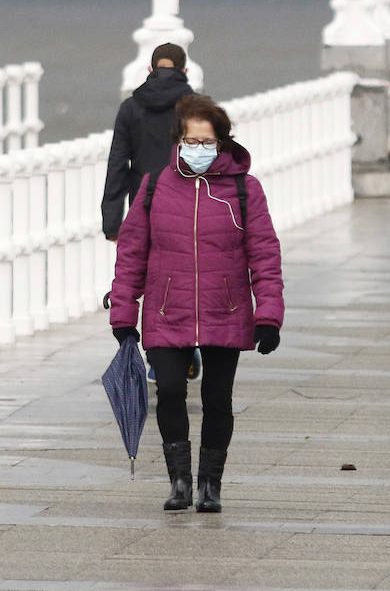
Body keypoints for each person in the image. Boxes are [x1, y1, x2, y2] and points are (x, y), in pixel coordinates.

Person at [108, 94, 285, 513]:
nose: (198, 149)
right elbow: (132, 253)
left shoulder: (245, 190)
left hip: (226, 310)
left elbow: (264, 254)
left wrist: (269, 316)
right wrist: (123, 313)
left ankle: (210, 485)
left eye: (207, 142)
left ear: (222, 143)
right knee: (169, 391)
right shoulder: (154, 187)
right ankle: (180, 481)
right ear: (178, 140)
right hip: (168, 310)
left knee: (217, 399)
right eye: (191, 140)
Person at [102, 43, 195, 241]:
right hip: (188, 203)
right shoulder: (197, 107)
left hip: (143, 203)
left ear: (150, 70)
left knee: (147, 268)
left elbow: (117, 164)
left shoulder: (130, 107)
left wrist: (112, 224)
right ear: (185, 71)